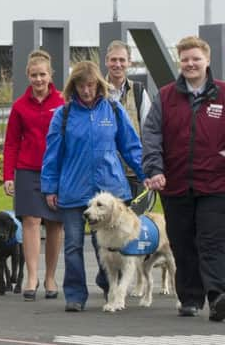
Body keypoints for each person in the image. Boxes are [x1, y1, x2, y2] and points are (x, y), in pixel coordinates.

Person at [41, 60, 145, 312]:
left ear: (98, 84)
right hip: (74, 190)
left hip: (110, 192)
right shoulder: (62, 116)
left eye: (90, 85)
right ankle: (75, 295)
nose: (86, 90)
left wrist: (148, 174)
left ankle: (106, 280)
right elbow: (52, 155)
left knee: (111, 244)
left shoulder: (113, 109)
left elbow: (130, 146)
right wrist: (49, 188)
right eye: (80, 85)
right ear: (73, 86)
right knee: (74, 244)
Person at [142, 36, 225, 322]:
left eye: (195, 59)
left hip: (216, 185)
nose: (190, 64)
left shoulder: (223, 95)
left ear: (207, 61)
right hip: (174, 184)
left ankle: (217, 297)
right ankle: (189, 298)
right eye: (185, 59)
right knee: (182, 242)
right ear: (180, 62)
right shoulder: (165, 96)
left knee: (211, 240)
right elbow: (151, 134)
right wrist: (154, 169)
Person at [3, 50, 64, 301]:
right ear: (28, 76)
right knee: (31, 221)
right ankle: (31, 277)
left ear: (51, 75)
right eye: (34, 75)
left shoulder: (63, 102)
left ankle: (50, 277)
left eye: (43, 75)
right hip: (28, 170)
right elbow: (11, 143)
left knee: (55, 224)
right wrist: (8, 175)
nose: (39, 80)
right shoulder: (19, 106)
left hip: (57, 170)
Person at [104, 40, 152, 213]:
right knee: (106, 230)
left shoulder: (139, 91)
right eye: (113, 60)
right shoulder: (95, 91)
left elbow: (149, 130)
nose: (118, 64)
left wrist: (147, 166)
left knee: (134, 227)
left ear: (129, 62)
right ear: (106, 61)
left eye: (122, 60)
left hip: (134, 173)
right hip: (104, 172)